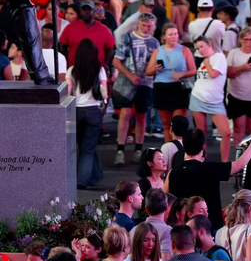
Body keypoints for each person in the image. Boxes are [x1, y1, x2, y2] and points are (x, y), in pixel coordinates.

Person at [168, 125, 251, 232]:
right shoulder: (209, 168)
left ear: (184, 145)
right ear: (203, 147)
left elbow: (168, 199)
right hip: (210, 227)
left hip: (184, 228)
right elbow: (240, 164)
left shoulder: (173, 172)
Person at [113, 13, 159, 167]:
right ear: (138, 24)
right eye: (144, 25)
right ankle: (120, 149)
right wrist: (130, 75)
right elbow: (116, 61)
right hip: (127, 82)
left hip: (145, 83)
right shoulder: (127, 38)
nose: (147, 28)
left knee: (141, 116)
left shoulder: (155, 42)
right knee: (125, 114)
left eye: (149, 26)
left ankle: (138, 149)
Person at [68, 40, 107, 189]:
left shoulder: (72, 70)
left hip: (76, 111)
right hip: (94, 111)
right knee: (88, 148)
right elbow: (105, 91)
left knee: (84, 146)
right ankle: (82, 180)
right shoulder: (99, 70)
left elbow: (68, 92)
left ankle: (94, 175)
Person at [147, 25, 195, 142]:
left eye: (175, 34)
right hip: (162, 88)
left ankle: (181, 151)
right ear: (164, 37)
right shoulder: (158, 51)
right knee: (166, 124)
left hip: (179, 88)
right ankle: (169, 152)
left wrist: (181, 75)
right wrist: (155, 68)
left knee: (179, 124)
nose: (174, 37)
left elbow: (193, 70)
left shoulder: (184, 50)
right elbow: (148, 71)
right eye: (170, 34)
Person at [189, 37, 231, 160]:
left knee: (226, 133)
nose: (200, 50)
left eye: (202, 46)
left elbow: (213, 74)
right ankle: (202, 160)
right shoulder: (203, 61)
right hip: (198, 98)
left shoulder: (219, 57)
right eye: (197, 48)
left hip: (215, 102)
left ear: (210, 44)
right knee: (201, 134)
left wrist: (207, 62)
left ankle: (225, 163)